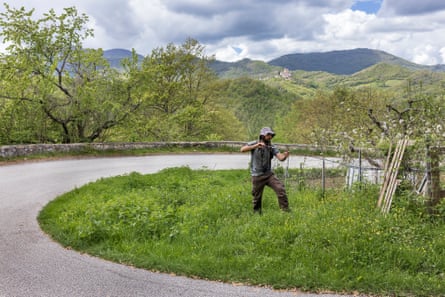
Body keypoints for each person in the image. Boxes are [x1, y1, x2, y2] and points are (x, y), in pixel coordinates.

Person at [240, 127, 290, 213]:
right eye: (268, 135)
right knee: (257, 197)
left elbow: (280, 157)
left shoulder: (272, 147)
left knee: (280, 189)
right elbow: (242, 149)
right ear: (262, 135)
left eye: (271, 135)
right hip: (257, 175)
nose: (270, 137)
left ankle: (285, 211)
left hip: (268, 175)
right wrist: (256, 146)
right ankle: (257, 213)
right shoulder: (254, 143)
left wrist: (284, 156)